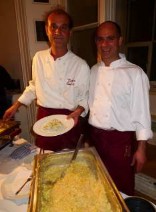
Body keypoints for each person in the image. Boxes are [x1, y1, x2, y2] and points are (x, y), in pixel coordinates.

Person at [3, 7, 90, 151]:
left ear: (70, 32)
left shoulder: (80, 65)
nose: (58, 32)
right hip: (44, 118)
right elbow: (34, 86)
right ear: (46, 30)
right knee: (45, 158)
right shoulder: (38, 58)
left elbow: (85, 97)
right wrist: (16, 105)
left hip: (69, 119)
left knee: (68, 163)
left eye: (63, 27)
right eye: (53, 27)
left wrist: (78, 111)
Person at [88, 21, 153, 195]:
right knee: (98, 183)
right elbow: (90, 104)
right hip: (95, 138)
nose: (104, 44)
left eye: (110, 39)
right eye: (100, 39)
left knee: (121, 187)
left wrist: (141, 149)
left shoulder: (134, 73)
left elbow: (142, 113)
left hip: (119, 141)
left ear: (120, 40)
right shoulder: (93, 70)